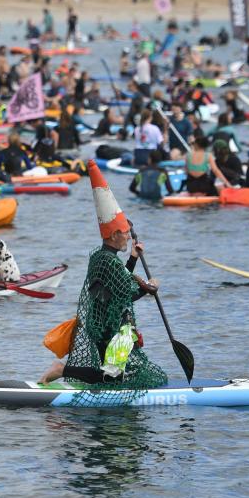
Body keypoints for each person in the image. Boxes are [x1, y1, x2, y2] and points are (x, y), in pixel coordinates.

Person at [39, 160, 167, 396]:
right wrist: (150, 289)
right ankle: (62, 370)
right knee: (111, 378)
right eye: (126, 234)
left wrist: (133, 259)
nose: (128, 237)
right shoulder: (108, 261)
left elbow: (118, 284)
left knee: (113, 374)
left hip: (102, 323)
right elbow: (126, 294)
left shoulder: (101, 257)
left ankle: (66, 371)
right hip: (107, 327)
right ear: (115, 234)